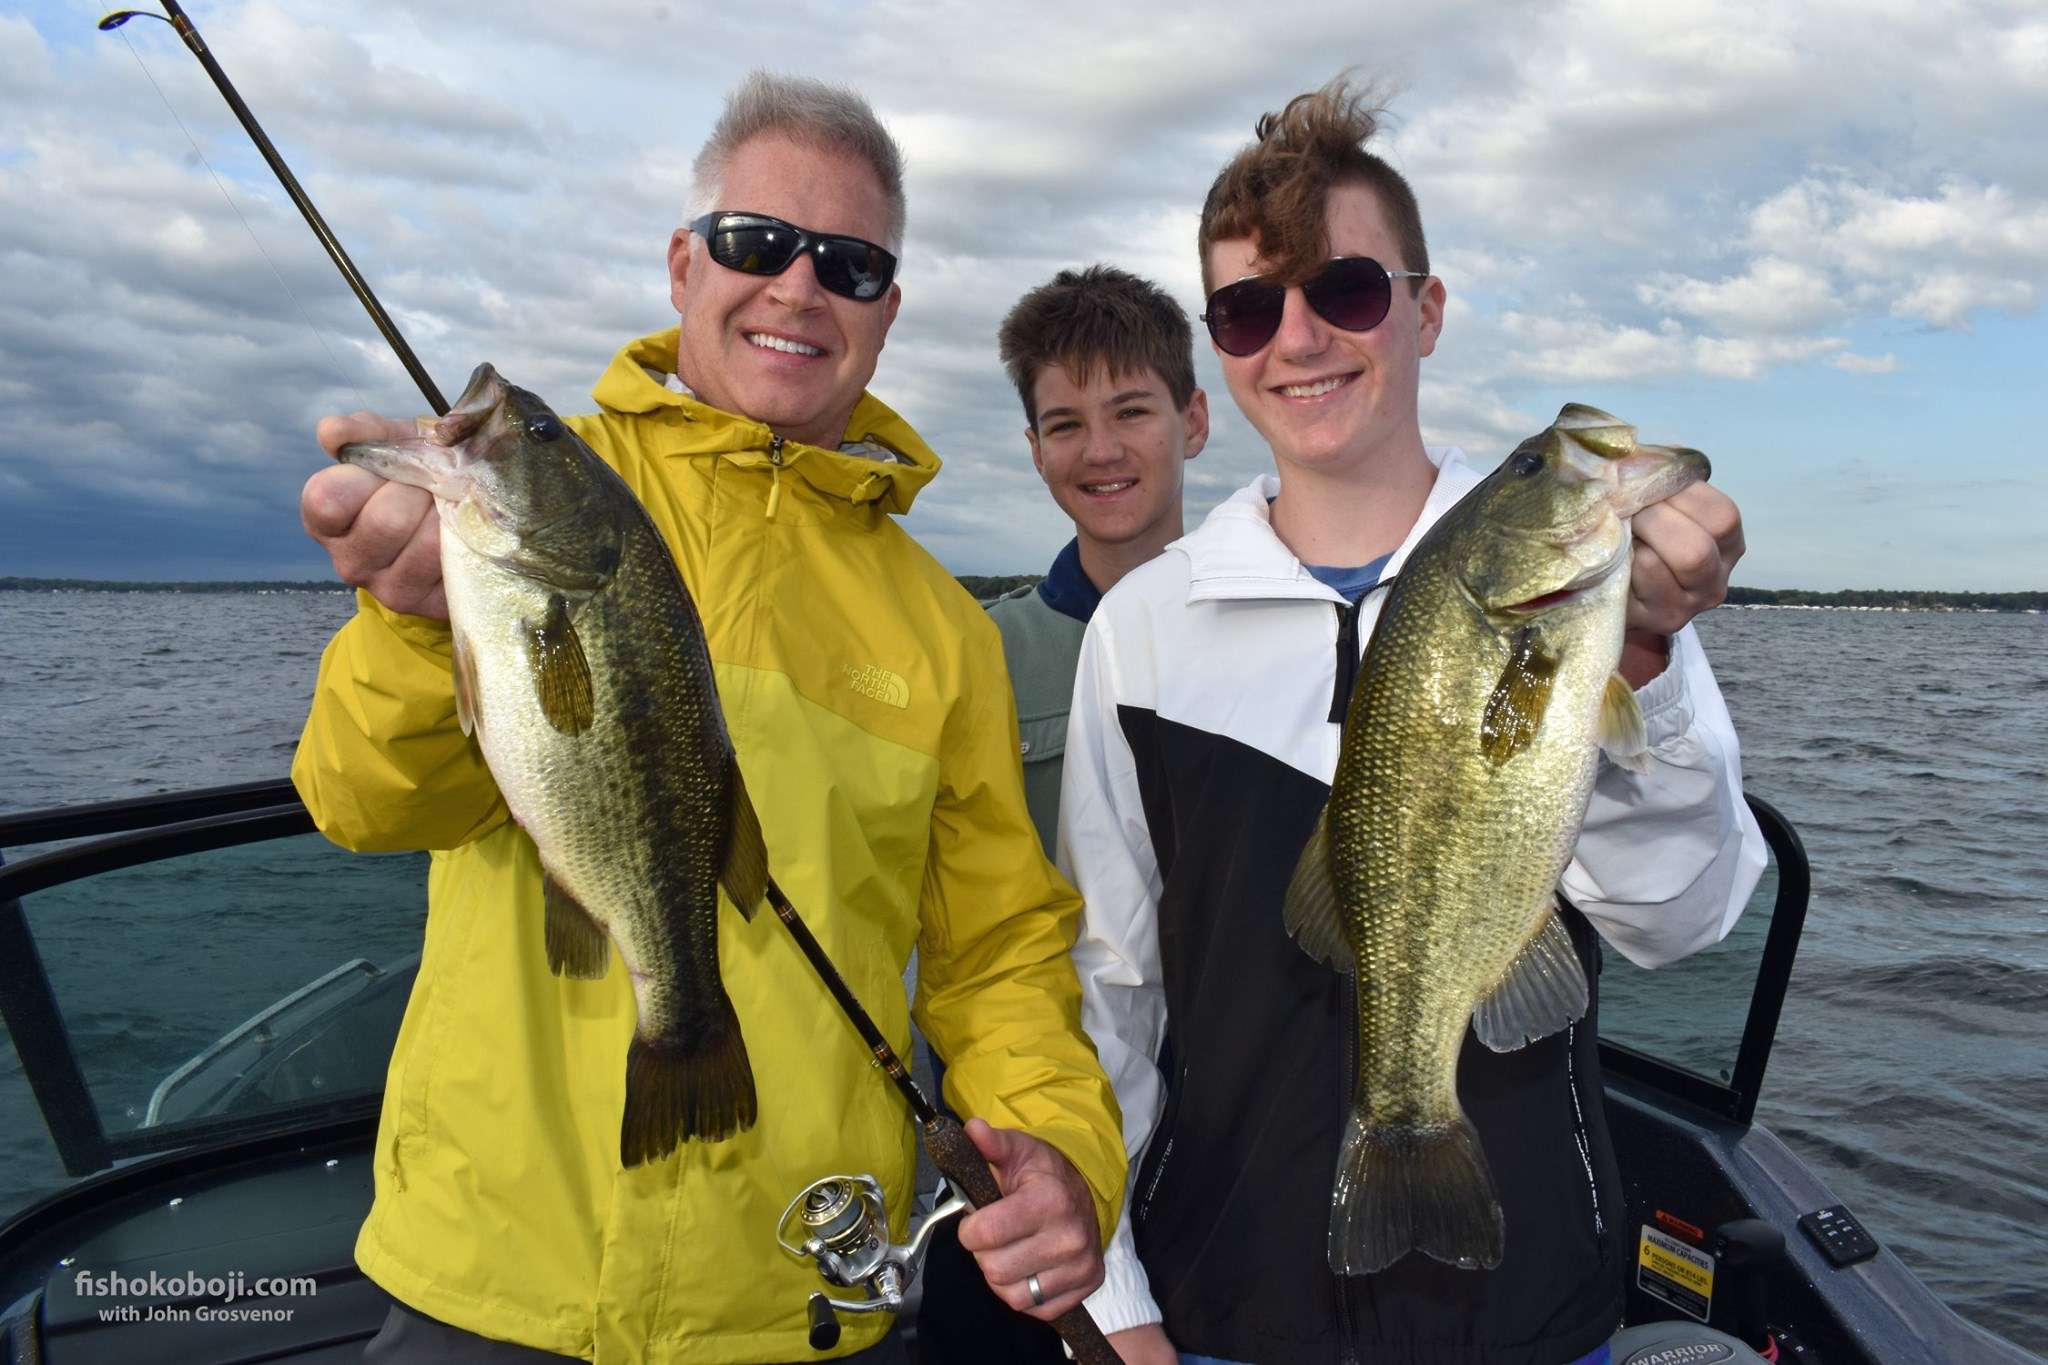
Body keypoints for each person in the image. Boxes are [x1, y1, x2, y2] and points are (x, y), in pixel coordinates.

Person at [291, 72, 1123, 1363]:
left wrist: (1066, 1154)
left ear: (886, 313)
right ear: (683, 265)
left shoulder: (944, 630)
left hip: (796, 1294)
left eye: (847, 266)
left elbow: (1001, 953)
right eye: (754, 244)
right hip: (485, 1282)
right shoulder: (538, 511)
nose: (797, 287)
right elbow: (366, 803)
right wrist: (407, 625)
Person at [1061, 78, 1767, 1365]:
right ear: (1217, 348)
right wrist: (1113, 1305)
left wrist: (1651, 658)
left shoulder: (1597, 605)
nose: (1297, 339)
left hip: (1528, 1304)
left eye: (1344, 291)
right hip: (1223, 1302)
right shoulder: (1144, 631)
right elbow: (1109, 986)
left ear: (1422, 310)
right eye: (1244, 309)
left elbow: (1680, 922)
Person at [917, 266, 1208, 1364]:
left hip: (1222, 1134)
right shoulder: (972, 656)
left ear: (1192, 418)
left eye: (1131, 410)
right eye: (1063, 424)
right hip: (1015, 1143)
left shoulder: (1282, 639)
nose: (1101, 450)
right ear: (1032, 449)